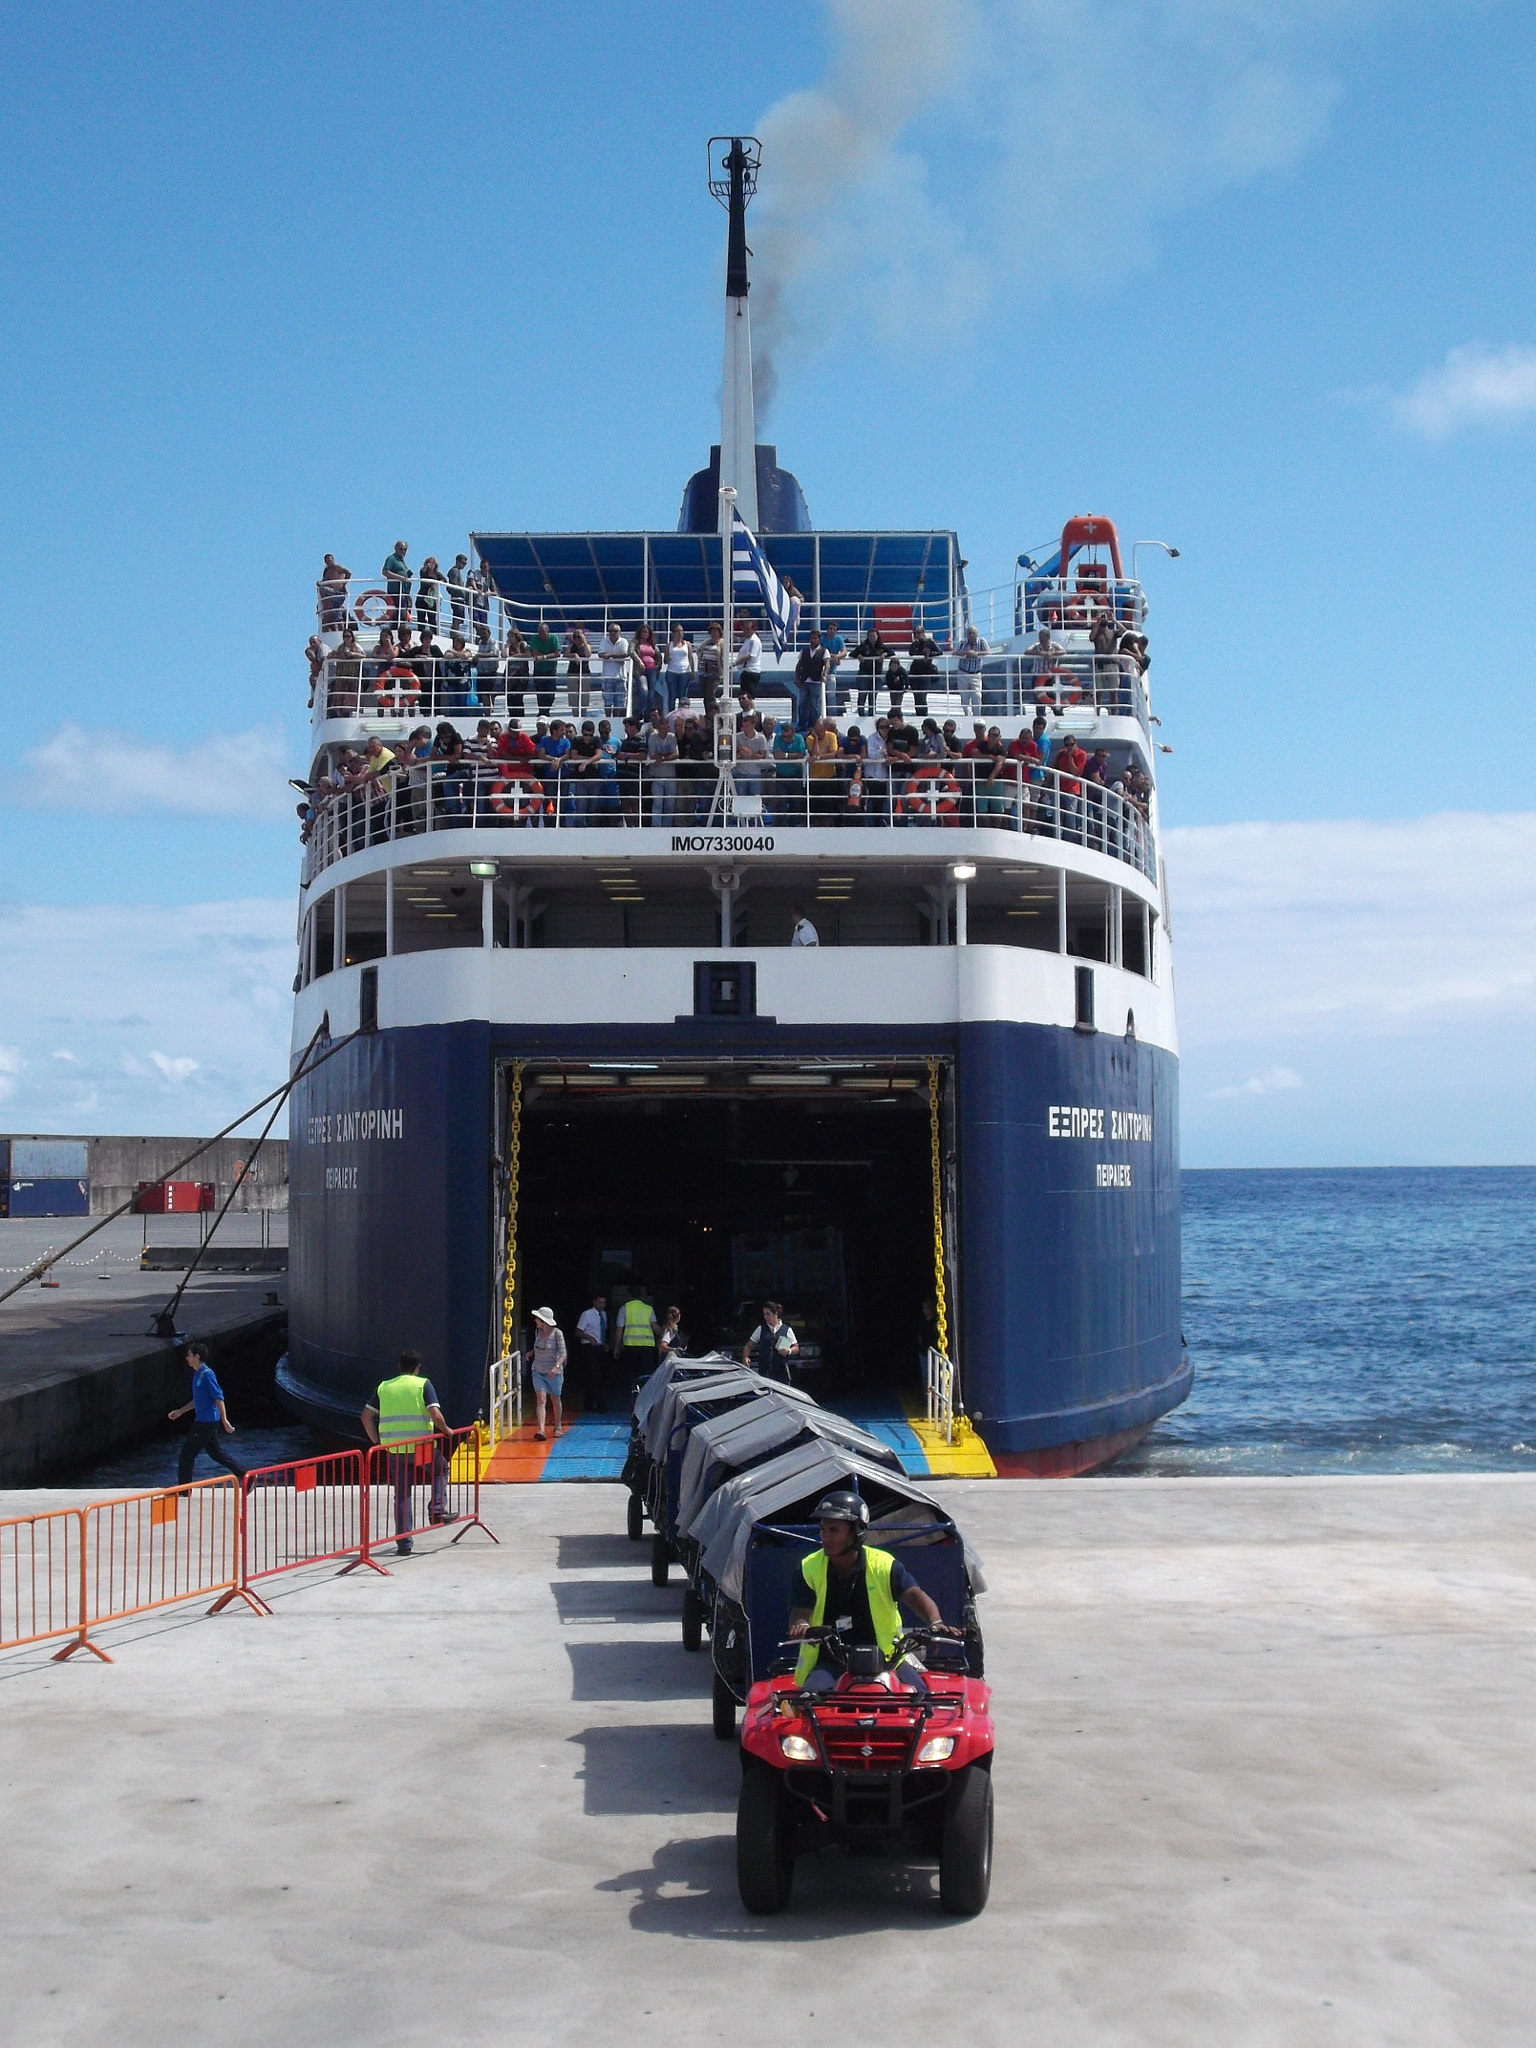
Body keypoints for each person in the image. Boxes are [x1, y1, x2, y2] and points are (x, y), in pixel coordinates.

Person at [787, 1491, 953, 1693]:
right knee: (809, 1701)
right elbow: (799, 1611)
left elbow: (914, 1595)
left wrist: (935, 1623)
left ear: (857, 1532)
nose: (825, 1537)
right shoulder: (808, 1568)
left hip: (887, 1660)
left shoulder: (885, 1565)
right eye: (823, 1530)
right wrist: (800, 1625)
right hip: (831, 1662)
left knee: (920, 1699)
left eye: (833, 1530)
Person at [360, 1349, 455, 1556]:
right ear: (417, 1368)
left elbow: (366, 1416)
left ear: (399, 1367)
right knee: (440, 1470)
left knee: (402, 1495)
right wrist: (446, 1431)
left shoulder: (384, 1387)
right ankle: (437, 1509)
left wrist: (377, 1441)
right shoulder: (422, 1384)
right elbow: (435, 1414)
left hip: (395, 1450)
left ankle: (404, 1544)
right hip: (422, 1447)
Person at [168, 1341, 244, 1484]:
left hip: (206, 1421)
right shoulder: (197, 1375)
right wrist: (180, 1411)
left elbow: (218, 1397)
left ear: (197, 1356)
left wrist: (225, 1420)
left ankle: (184, 1490)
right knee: (216, 1453)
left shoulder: (207, 1374)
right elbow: (197, 1400)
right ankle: (247, 1475)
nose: (187, 1358)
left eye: (189, 1355)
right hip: (203, 1420)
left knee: (187, 1454)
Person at [526, 1307, 567, 1440]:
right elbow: (538, 1346)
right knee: (541, 1399)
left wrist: (556, 1367)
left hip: (553, 1372)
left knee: (555, 1399)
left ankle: (558, 1425)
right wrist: (531, 1352)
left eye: (538, 1319)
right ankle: (541, 1430)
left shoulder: (557, 1334)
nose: (535, 1321)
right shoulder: (537, 1332)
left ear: (544, 1321)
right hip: (538, 1370)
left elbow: (563, 1353)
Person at [742, 1299, 799, 1381]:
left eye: (768, 1314)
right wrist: (745, 1357)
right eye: (764, 1314)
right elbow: (748, 1346)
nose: (766, 1317)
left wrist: (789, 1351)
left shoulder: (787, 1329)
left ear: (775, 1314)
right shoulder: (761, 1329)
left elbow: (796, 1348)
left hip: (781, 1372)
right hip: (765, 1372)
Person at [615, 1285, 659, 1383]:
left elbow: (619, 1330)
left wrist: (616, 1347)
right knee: (646, 1374)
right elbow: (655, 1327)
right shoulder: (649, 1308)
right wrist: (664, 1336)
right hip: (647, 1346)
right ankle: (645, 1395)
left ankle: (633, 1393)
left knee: (631, 1373)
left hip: (631, 1346)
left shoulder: (624, 1308)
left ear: (629, 1295)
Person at [645, 707, 679, 825]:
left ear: (668, 728)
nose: (663, 731)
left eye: (665, 729)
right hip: (656, 776)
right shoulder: (652, 737)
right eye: (661, 729)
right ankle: (656, 827)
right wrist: (666, 755)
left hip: (670, 776)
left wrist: (663, 757)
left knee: (670, 804)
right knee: (657, 803)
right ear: (658, 728)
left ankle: (667, 827)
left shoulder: (672, 737)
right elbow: (653, 755)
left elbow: (676, 754)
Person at [576, 1293, 608, 1410]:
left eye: (604, 1303)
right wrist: (589, 1337)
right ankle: (601, 1404)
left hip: (600, 1348)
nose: (602, 1305)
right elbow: (578, 1331)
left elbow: (604, 1331)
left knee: (596, 1376)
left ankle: (588, 1403)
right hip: (589, 1347)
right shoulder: (587, 1315)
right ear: (594, 1302)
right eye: (600, 1302)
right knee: (595, 1375)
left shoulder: (604, 1315)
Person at [793, 630, 829, 731]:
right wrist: (797, 678)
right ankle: (802, 724)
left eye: (815, 638)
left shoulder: (824, 651)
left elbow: (827, 664)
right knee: (802, 704)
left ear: (819, 639)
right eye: (811, 638)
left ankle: (813, 725)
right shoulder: (804, 651)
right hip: (804, 681)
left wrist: (825, 674)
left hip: (816, 681)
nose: (813, 640)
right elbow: (798, 666)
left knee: (814, 705)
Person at [597, 621, 631, 718]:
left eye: (615, 631)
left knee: (619, 701)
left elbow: (626, 653)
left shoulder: (623, 641)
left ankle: (616, 718)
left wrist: (610, 655)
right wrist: (617, 658)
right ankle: (608, 718)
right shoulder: (604, 641)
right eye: (610, 631)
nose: (612, 633)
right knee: (607, 700)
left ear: (619, 632)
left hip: (620, 676)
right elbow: (601, 654)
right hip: (607, 675)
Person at [529, 619, 561, 717]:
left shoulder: (553, 638)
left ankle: (545, 712)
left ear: (548, 631)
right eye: (539, 631)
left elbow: (558, 653)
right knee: (540, 694)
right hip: (538, 670)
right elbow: (534, 653)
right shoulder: (534, 638)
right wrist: (549, 655)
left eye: (543, 631)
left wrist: (544, 657)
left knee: (551, 694)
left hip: (550, 670)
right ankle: (543, 713)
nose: (540, 633)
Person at [662, 622, 695, 713]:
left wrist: (692, 671)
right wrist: (667, 659)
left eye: (681, 631)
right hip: (672, 672)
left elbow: (691, 658)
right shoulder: (669, 645)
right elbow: (664, 661)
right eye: (677, 631)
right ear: (673, 633)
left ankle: (682, 714)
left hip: (684, 671)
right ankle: (671, 713)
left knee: (683, 695)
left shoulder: (687, 644)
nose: (680, 633)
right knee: (672, 695)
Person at [318, 554, 351, 631]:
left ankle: (325, 605)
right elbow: (324, 581)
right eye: (326, 561)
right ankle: (342, 632)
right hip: (332, 595)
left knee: (323, 589)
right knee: (337, 615)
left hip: (339, 593)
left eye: (330, 560)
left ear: (333, 560)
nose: (328, 562)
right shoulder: (327, 571)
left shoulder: (338, 568)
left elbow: (349, 573)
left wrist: (344, 583)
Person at [732, 618, 762, 702]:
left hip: (750, 672)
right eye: (744, 629)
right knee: (746, 697)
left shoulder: (753, 640)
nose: (745, 631)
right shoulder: (747, 640)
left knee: (748, 698)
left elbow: (749, 656)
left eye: (748, 629)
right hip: (745, 672)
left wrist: (734, 663)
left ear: (753, 629)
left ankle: (751, 714)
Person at [383, 541, 411, 626]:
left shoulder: (401, 561)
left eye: (405, 549)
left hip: (404, 592)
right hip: (395, 591)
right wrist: (400, 578)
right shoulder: (392, 558)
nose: (403, 551)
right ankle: (396, 629)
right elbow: (385, 571)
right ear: (395, 548)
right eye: (401, 549)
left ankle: (401, 628)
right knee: (398, 613)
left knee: (403, 613)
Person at [446, 553, 470, 636]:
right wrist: (464, 590)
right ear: (458, 561)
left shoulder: (456, 571)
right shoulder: (455, 570)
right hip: (457, 598)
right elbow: (453, 585)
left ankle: (455, 634)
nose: (464, 565)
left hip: (459, 598)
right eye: (463, 563)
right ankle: (454, 635)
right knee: (457, 619)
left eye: (465, 564)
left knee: (458, 619)